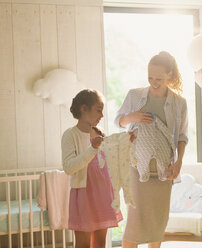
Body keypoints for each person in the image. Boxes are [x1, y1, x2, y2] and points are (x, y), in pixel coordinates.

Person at [115, 51, 188, 248]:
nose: (154, 82)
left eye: (159, 78)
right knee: (135, 222)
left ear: (170, 76)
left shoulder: (179, 103)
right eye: (150, 77)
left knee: (157, 222)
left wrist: (179, 161)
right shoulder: (135, 95)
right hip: (137, 168)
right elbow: (118, 121)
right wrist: (132, 117)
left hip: (165, 169)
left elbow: (181, 136)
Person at [61, 89, 123, 248]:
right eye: (98, 110)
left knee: (100, 243)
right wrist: (92, 148)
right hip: (84, 195)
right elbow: (69, 167)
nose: (102, 115)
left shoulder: (100, 134)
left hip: (103, 194)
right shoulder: (70, 135)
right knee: (83, 244)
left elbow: (108, 167)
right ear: (83, 109)